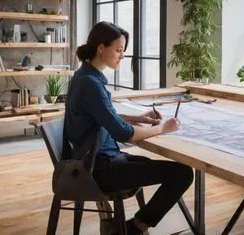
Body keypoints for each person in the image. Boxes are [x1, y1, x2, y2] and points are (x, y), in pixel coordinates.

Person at [65, 21, 193, 235]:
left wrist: (139, 117)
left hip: (96, 161)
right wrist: (163, 128)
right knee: (183, 173)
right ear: (101, 48)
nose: (122, 56)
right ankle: (135, 228)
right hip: (98, 169)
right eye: (118, 50)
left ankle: (134, 226)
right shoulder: (90, 84)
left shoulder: (84, 77)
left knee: (157, 167)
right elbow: (123, 133)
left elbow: (103, 115)